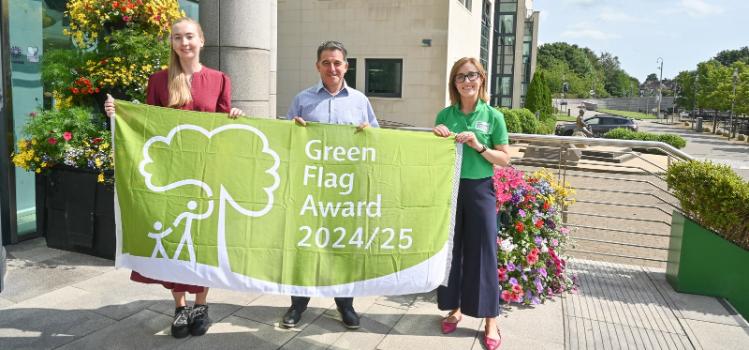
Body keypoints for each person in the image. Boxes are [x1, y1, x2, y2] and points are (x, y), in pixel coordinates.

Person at [103, 17, 243, 339]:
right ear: (172, 43)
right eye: (178, 37)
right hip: (169, 174)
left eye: (189, 36)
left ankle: (201, 304)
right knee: (175, 241)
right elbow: (147, 125)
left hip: (207, 173)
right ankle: (180, 307)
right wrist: (119, 112)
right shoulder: (159, 80)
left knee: (203, 240)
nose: (184, 43)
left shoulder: (220, 79)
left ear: (202, 40)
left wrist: (233, 116)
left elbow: (224, 124)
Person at [282, 40, 378, 330]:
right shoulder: (302, 99)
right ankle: (298, 304)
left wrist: (369, 133)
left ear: (346, 66)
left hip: (346, 189)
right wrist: (293, 129)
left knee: (343, 245)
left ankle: (345, 305)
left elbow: (378, 140)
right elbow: (286, 140)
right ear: (317, 66)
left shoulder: (360, 101)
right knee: (305, 243)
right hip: (310, 186)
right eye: (326, 62)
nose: (332, 68)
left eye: (337, 62)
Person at [432, 57, 510, 350]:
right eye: (460, 77)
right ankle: (455, 309)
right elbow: (435, 155)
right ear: (454, 83)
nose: (467, 81)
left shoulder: (493, 117)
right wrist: (436, 135)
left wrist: (479, 145)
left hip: (480, 190)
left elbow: (505, 159)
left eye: (472, 75)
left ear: (482, 79)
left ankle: (491, 319)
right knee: (453, 252)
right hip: (449, 191)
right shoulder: (445, 114)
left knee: (484, 253)